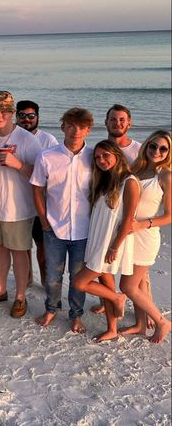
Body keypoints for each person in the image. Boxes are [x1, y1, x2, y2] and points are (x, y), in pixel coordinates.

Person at [0, 91, 42, 318]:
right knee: (0, 249)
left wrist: (18, 164)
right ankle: (0, 290)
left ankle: (20, 296)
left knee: (19, 252)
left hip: (19, 209)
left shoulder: (27, 140)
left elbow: (40, 176)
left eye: (4, 111)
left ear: (12, 113)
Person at [31, 108, 94, 333]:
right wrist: (44, 220)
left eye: (81, 126)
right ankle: (51, 309)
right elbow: (37, 189)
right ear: (63, 127)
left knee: (78, 277)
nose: (75, 131)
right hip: (54, 228)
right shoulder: (47, 156)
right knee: (53, 274)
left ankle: (76, 315)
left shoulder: (95, 157)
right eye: (71, 125)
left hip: (84, 230)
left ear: (88, 130)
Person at [72, 141, 139, 342]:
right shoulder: (105, 180)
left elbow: (128, 219)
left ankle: (117, 298)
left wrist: (114, 246)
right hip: (98, 239)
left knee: (79, 282)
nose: (101, 160)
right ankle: (112, 329)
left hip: (109, 244)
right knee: (105, 284)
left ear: (117, 154)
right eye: (97, 157)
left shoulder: (130, 181)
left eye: (105, 155)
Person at [90, 104, 143, 316]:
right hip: (107, 219)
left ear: (129, 123)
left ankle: (142, 315)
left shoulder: (139, 151)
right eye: (113, 119)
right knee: (105, 270)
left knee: (138, 273)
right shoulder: (100, 150)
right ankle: (108, 301)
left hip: (131, 222)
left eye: (122, 120)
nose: (117, 123)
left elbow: (147, 182)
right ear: (106, 122)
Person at [119, 130, 172, 343]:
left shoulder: (166, 175)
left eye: (163, 148)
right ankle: (141, 325)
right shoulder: (136, 168)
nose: (156, 151)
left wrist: (141, 224)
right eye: (153, 146)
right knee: (139, 283)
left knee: (127, 286)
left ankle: (161, 322)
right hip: (129, 233)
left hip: (146, 235)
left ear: (169, 152)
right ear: (146, 146)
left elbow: (169, 215)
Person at [16, 100, 58, 286]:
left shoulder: (48, 140)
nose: (27, 119)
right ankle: (27, 279)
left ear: (37, 117)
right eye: (22, 115)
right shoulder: (12, 137)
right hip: (18, 201)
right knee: (22, 245)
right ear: (16, 116)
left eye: (31, 116)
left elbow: (55, 174)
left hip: (42, 203)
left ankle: (45, 280)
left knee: (43, 246)